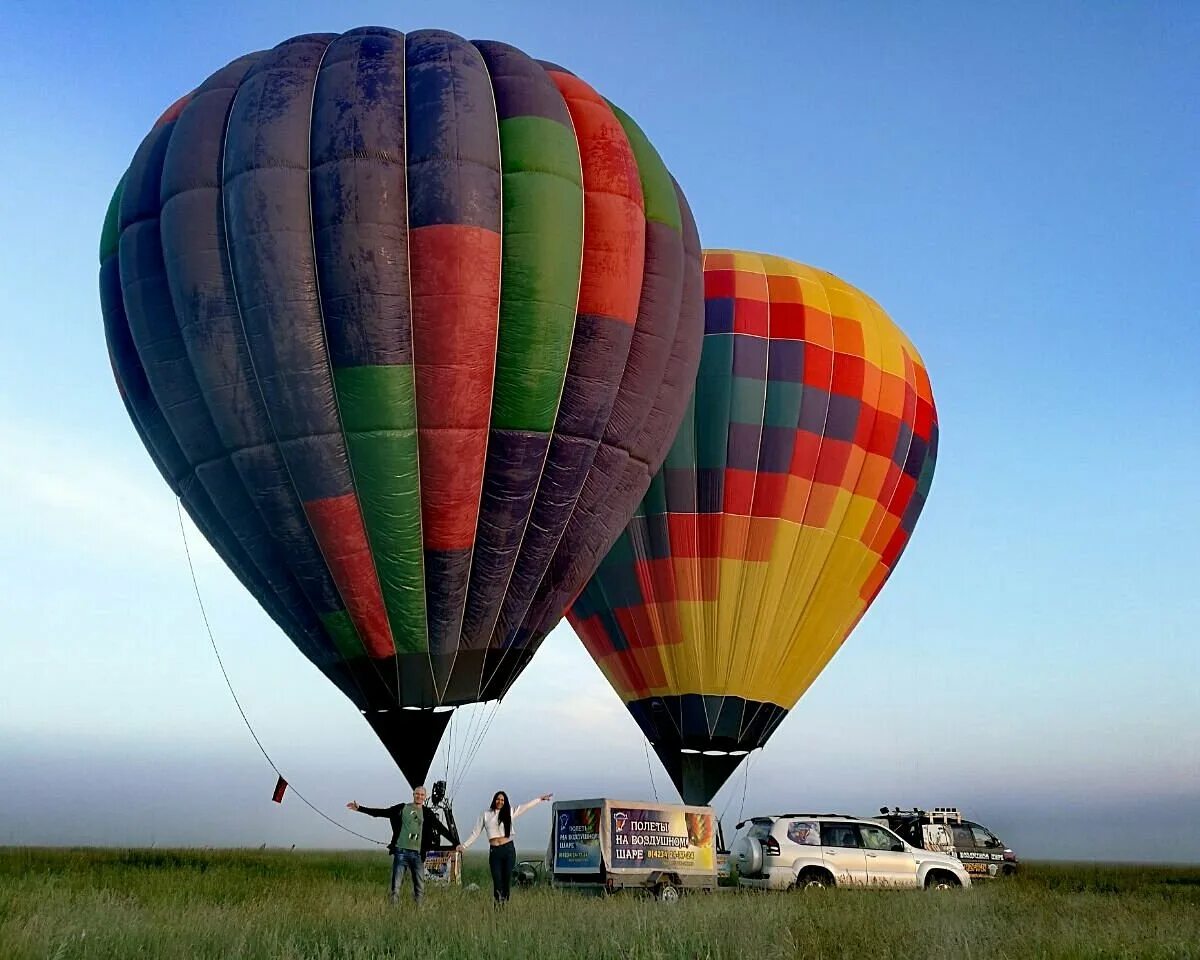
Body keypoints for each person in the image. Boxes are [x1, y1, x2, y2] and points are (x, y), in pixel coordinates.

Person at [347, 785, 456, 904]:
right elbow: (381, 813)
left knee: (419, 887)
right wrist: (360, 808)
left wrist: (456, 844)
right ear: (413, 795)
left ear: (425, 797)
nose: (419, 796)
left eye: (422, 795)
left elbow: (440, 828)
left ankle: (419, 912)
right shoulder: (402, 808)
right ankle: (394, 912)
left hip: (418, 854)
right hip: (401, 852)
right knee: (396, 886)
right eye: (417, 794)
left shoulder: (428, 813)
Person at [458, 790, 552, 904]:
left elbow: (525, 807)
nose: (500, 802)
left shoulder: (509, 812)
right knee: (497, 881)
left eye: (502, 800)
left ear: (505, 802)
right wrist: (464, 846)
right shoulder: (486, 814)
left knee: (506, 881)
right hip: (495, 851)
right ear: (494, 800)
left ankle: (505, 905)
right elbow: (475, 832)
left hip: (508, 850)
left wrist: (540, 799)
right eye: (498, 799)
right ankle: (497, 907)